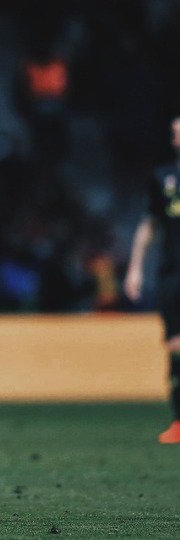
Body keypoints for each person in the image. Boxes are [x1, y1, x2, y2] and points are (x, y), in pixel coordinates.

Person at [125, 116, 180, 444]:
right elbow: (149, 225)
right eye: (174, 133)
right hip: (172, 272)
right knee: (175, 347)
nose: (177, 137)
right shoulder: (163, 178)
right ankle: (178, 421)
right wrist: (135, 268)